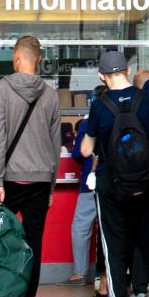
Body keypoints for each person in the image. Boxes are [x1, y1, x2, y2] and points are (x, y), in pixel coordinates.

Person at [83, 50, 149, 297]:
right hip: (143, 182)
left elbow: (85, 149)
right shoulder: (146, 98)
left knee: (114, 246)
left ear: (102, 75)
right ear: (127, 71)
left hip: (110, 184)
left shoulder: (99, 106)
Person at [0, 35, 61, 297]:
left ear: (16, 58)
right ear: (38, 59)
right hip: (40, 180)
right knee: (33, 243)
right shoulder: (51, 94)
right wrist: (52, 184)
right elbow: (55, 145)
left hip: (9, 180)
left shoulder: (3, 88)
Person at [67, 92, 100, 285]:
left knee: (81, 227)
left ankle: (80, 273)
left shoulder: (88, 122)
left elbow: (78, 154)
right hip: (120, 181)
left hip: (91, 181)